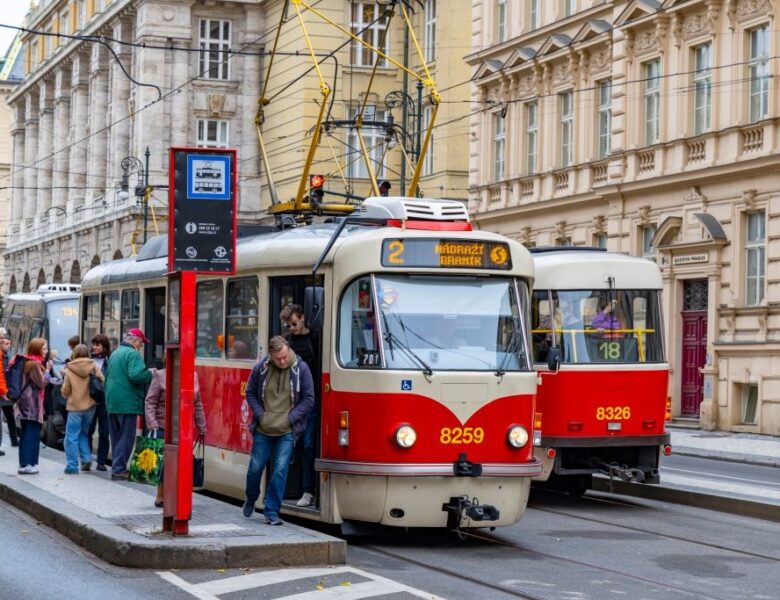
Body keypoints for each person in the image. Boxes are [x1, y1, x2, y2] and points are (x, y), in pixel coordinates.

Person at [242, 336, 314, 525]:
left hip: (287, 431)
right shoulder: (261, 368)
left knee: (280, 470)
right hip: (263, 429)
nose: (282, 361)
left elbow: (309, 399)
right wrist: (261, 415)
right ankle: (251, 497)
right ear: (271, 356)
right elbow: (250, 393)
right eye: (278, 359)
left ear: (288, 349)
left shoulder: (301, 369)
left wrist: (290, 418)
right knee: (255, 469)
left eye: (285, 356)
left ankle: (272, 512)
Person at [145, 360, 206, 507]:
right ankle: (160, 495)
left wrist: (202, 425)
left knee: (182, 462)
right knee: (164, 463)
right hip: (162, 426)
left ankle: (178, 495)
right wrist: (152, 423)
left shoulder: (193, 376)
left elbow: (197, 403)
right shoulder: (160, 375)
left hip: (184, 428)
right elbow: (150, 401)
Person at [280, 303, 321, 508]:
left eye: (294, 323)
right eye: (288, 325)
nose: (291, 328)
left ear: (303, 317)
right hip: (291, 400)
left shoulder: (316, 338)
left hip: (310, 399)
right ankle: (285, 487)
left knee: (308, 444)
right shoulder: (286, 341)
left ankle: (307, 490)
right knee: (288, 443)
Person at [105, 329, 154, 480]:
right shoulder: (133, 354)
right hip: (127, 403)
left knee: (116, 437)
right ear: (136, 340)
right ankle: (119, 469)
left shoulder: (115, 353)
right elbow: (136, 375)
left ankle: (117, 467)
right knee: (126, 437)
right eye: (141, 343)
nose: (141, 346)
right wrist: (150, 373)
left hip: (112, 401)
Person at [60, 344, 104, 474]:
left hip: (75, 407)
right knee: (84, 434)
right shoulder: (94, 365)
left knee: (72, 436)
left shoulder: (69, 368)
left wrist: (67, 394)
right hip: (90, 406)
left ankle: (72, 466)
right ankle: (86, 458)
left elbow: (65, 391)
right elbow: (102, 380)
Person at [15, 338, 51, 474]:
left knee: (25, 434)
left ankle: (24, 464)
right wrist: (47, 371)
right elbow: (42, 383)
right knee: (31, 434)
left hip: (25, 404)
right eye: (44, 348)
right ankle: (27, 464)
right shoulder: (35, 364)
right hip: (31, 405)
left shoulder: (27, 362)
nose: (46, 351)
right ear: (37, 350)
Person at [87, 334, 111, 471]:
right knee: (88, 431)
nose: (94, 347)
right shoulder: (88, 360)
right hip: (90, 400)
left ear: (104, 346)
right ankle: (87, 459)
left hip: (104, 401)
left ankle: (101, 462)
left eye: (98, 345)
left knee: (104, 433)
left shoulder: (109, 361)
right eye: (94, 344)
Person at [0, 335, 18, 453]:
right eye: (6, 343)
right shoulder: (2, 357)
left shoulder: (7, 357)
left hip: (5, 390)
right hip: (3, 391)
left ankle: (14, 439)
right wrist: (4, 391)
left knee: (10, 415)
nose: (9, 346)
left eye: (9, 343)